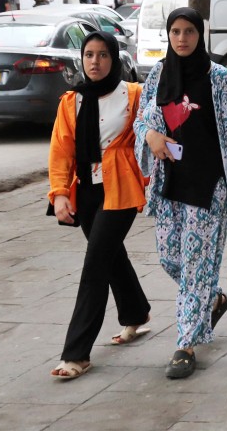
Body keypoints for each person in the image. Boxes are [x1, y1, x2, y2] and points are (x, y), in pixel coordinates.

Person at [134, 7, 227, 379]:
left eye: (189, 31)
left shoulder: (218, 77)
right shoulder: (160, 74)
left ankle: (185, 345)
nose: (181, 38)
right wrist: (151, 135)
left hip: (209, 186)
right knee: (169, 258)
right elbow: (142, 117)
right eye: (175, 31)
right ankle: (215, 298)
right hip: (171, 184)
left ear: (199, 34)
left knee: (194, 268)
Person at [46, 30, 151, 380]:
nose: (95, 62)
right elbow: (61, 150)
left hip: (120, 189)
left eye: (103, 55)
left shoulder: (133, 95)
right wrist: (60, 192)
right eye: (89, 55)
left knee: (94, 265)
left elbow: (152, 132)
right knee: (110, 256)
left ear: (114, 58)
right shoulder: (71, 101)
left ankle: (76, 354)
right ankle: (137, 313)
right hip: (87, 192)